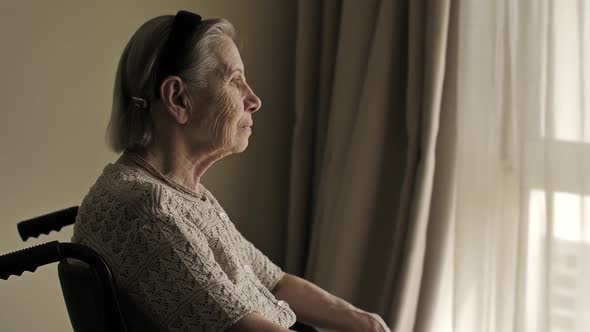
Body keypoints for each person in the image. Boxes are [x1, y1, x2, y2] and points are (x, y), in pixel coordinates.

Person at [72, 10, 391, 332]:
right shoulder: (149, 207)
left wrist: (365, 322)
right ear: (178, 98)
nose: (253, 100)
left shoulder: (180, 193)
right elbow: (241, 328)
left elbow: (275, 283)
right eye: (235, 81)